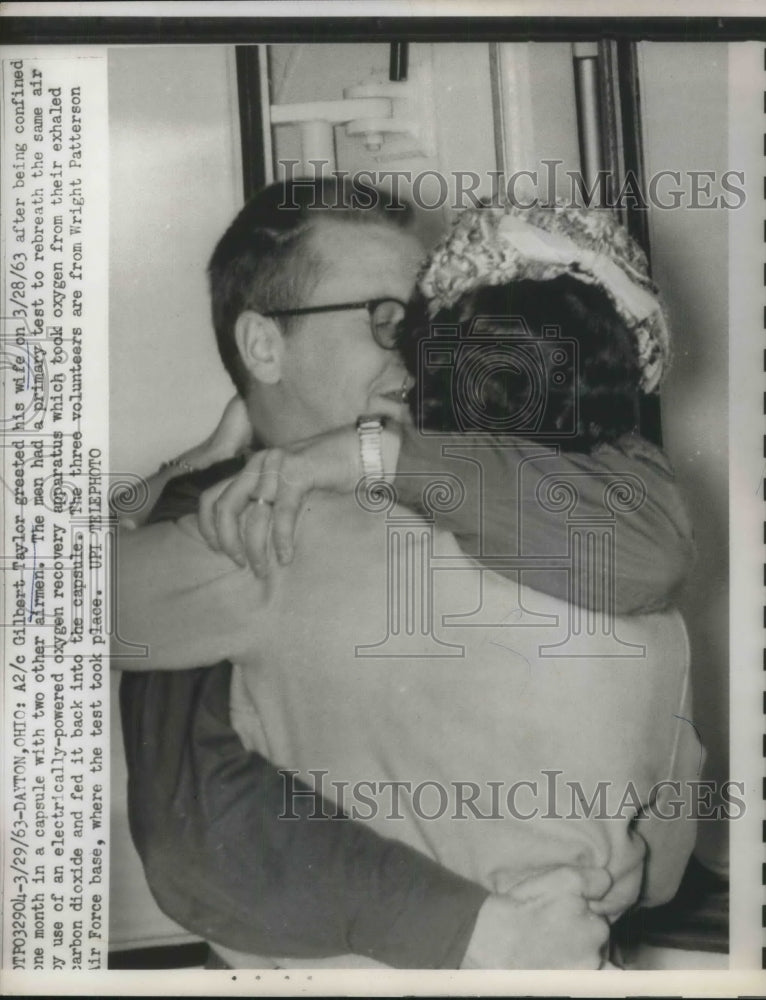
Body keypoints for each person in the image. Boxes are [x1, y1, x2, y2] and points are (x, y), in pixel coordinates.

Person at [115, 182, 695, 969]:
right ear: (263, 345)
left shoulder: (276, 535)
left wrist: (187, 470)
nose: (417, 352)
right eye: (389, 320)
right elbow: (657, 865)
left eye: (425, 319)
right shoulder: (596, 514)